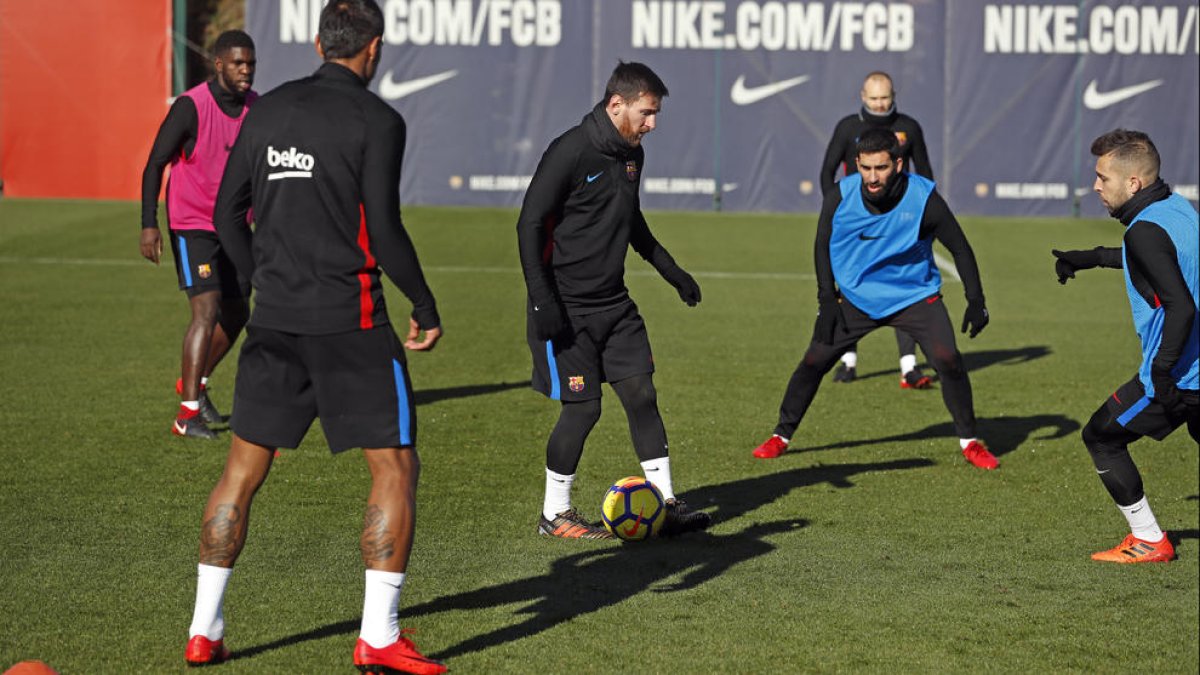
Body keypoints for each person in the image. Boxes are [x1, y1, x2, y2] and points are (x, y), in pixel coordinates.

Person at [184, 1, 447, 672]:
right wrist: (424, 301)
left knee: (241, 471)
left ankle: (203, 629)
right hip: (352, 321)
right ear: (375, 48)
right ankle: (378, 635)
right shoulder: (379, 120)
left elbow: (224, 211)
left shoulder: (266, 110)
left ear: (316, 42)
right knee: (394, 466)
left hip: (274, 319)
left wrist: (259, 277)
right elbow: (384, 231)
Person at [517, 61, 712, 540]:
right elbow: (528, 224)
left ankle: (664, 505)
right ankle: (554, 515)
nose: (653, 124)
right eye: (646, 113)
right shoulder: (570, 150)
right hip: (566, 309)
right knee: (583, 409)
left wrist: (672, 272)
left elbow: (631, 221)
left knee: (642, 394)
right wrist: (543, 302)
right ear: (616, 105)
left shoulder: (632, 154)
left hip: (614, 305)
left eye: (656, 114)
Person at [753, 127, 996, 470]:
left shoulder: (923, 198)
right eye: (865, 168)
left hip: (914, 295)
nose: (872, 176)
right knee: (812, 362)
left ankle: (970, 442)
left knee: (949, 359)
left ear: (898, 164)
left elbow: (960, 247)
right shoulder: (840, 196)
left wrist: (976, 300)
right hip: (856, 298)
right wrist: (826, 301)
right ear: (856, 164)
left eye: (880, 167)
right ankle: (781, 435)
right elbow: (821, 246)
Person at [1052, 129, 1198, 564]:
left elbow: (1181, 308)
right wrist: (1090, 257)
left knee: (1101, 436)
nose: (1096, 186)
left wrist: (1161, 370)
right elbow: (1157, 255)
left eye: (1103, 178)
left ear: (1133, 182)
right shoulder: (1177, 209)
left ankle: (1148, 539)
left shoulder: (1145, 232)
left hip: (1181, 376)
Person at [140, 30, 258, 439]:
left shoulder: (256, 108)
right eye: (239, 63)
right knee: (205, 311)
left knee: (238, 311)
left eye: (251, 63)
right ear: (218, 63)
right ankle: (186, 415)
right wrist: (148, 223)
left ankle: (198, 385)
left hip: (237, 226)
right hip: (193, 223)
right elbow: (155, 163)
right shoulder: (192, 107)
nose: (247, 70)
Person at [819, 71, 935, 390]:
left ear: (893, 94)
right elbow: (827, 172)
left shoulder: (908, 128)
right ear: (862, 96)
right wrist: (839, 211)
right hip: (857, 224)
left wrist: (921, 215)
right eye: (874, 98)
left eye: (885, 97)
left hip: (899, 225)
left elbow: (925, 173)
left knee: (904, 285)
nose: (880, 103)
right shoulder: (848, 127)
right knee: (850, 285)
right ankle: (848, 360)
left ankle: (909, 368)